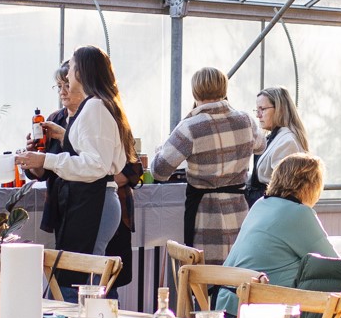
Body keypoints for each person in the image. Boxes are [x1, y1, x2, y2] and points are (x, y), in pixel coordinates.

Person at [19, 49, 135, 287]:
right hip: (87, 201)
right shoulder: (97, 106)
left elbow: (96, 165)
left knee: (79, 282)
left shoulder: (95, 107)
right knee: (77, 280)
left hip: (95, 201)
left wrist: (45, 160)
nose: (67, 78)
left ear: (81, 72)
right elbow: (91, 154)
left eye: (70, 69)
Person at [150, 67, 258, 261]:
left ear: (195, 92)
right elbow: (260, 145)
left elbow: (159, 171)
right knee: (237, 270)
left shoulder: (190, 127)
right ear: (224, 89)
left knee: (205, 277)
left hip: (205, 213)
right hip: (239, 210)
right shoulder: (246, 120)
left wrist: (162, 148)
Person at [220, 154, 336, 314]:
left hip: (226, 304)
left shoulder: (261, 204)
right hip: (259, 314)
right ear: (310, 185)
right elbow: (333, 264)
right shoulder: (299, 213)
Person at [247, 86, 308, 204]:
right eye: (257, 110)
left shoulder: (287, 142)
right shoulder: (275, 137)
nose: (258, 115)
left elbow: (284, 189)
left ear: (280, 109)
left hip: (270, 207)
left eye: (262, 109)